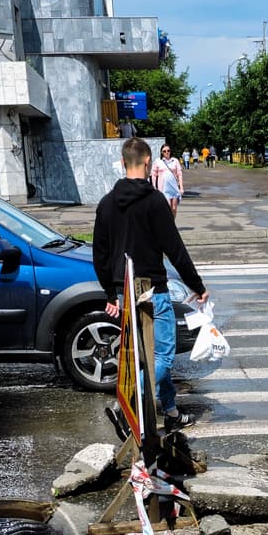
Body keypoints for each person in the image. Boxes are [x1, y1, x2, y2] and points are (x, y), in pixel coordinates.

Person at [93, 137, 209, 432]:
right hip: (153, 291)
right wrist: (197, 285)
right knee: (163, 356)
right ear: (148, 163)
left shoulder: (106, 204)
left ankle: (170, 412)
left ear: (123, 163)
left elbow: (100, 255)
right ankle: (128, 404)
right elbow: (175, 249)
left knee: (146, 354)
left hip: (124, 292)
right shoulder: (155, 202)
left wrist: (111, 292)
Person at [150, 144, 184, 215]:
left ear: (170, 151)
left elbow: (179, 174)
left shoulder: (175, 161)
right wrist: (154, 187)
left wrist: (181, 187)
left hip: (174, 187)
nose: (166, 152)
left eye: (168, 150)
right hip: (163, 188)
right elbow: (153, 175)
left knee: (174, 208)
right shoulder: (158, 161)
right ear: (161, 152)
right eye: (164, 151)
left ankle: (172, 223)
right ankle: (168, 225)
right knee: (167, 207)